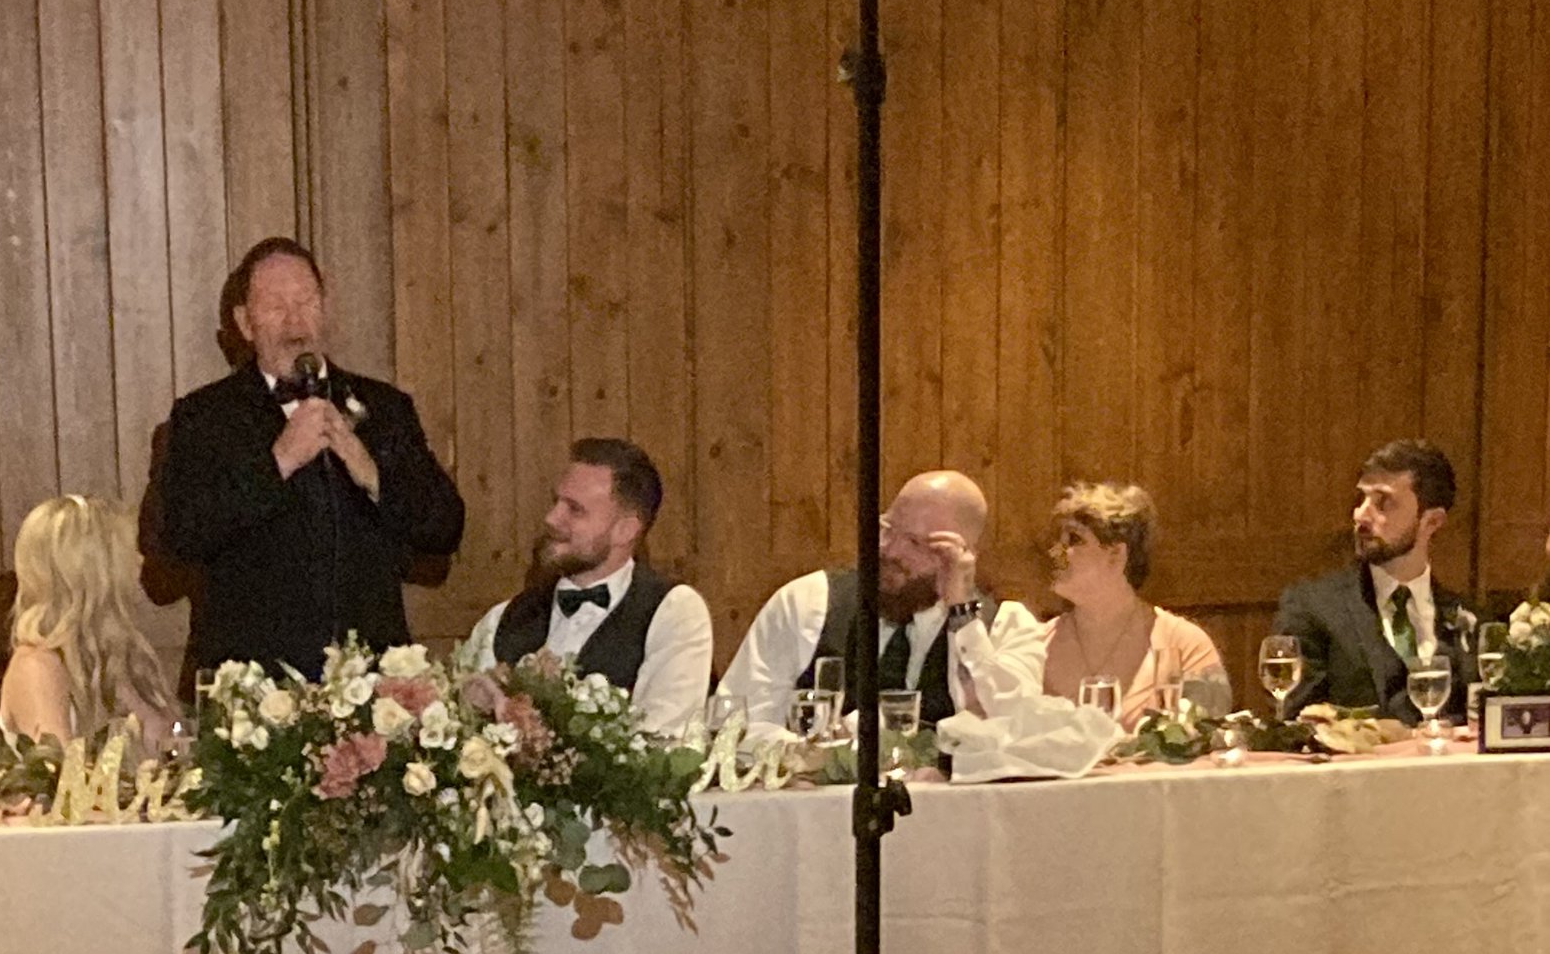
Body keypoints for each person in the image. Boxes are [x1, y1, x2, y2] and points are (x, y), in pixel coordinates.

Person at [156, 236, 465, 683]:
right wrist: (279, 461)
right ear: (245, 323)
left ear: (325, 308)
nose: (295, 323)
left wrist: (370, 471)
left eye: (306, 303)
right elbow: (182, 536)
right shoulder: (205, 416)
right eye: (276, 307)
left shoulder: (385, 407)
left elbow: (445, 527)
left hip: (371, 686)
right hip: (256, 688)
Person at [715, 468, 1044, 735]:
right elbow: (736, 724)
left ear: (965, 555)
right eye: (887, 529)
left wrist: (963, 616)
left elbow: (1014, 729)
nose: (890, 551)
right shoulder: (808, 602)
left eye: (916, 543)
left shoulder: (1005, 626)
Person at [464, 441, 714, 741]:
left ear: (625, 530)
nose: (551, 518)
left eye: (575, 509)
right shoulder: (503, 618)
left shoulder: (673, 613)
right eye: (556, 501)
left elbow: (663, 743)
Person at [1275, 440, 1472, 718]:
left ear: (1432, 521)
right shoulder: (1312, 609)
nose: (1360, 515)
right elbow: (1298, 724)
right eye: (1362, 499)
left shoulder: (1470, 620)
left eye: (1384, 502)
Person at [0, 494, 177, 754]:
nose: (140, 561)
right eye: (129, 551)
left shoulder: (123, 656)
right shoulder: (37, 667)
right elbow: (59, 773)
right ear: (97, 571)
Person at [1038, 483, 1225, 720]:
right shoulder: (1033, 645)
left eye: (1074, 540)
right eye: (1058, 540)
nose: (1055, 552)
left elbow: (1209, 737)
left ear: (1116, 554)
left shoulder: (1186, 648)